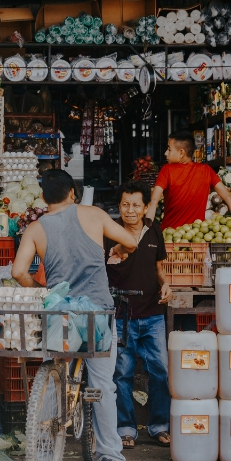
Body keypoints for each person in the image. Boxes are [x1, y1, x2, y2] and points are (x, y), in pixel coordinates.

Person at [12, 169, 137, 461]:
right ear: (72, 193)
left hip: (60, 315)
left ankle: (47, 424)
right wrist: (118, 248)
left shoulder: (35, 228)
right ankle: (109, 454)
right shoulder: (93, 214)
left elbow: (18, 272)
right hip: (96, 315)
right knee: (103, 385)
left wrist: (42, 288)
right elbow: (131, 242)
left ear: (43, 197)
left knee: (56, 365)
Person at [105, 180, 172, 450]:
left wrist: (166, 283)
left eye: (136, 205)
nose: (130, 210)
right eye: (125, 204)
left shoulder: (155, 231)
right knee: (122, 374)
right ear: (119, 206)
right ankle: (125, 428)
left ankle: (159, 426)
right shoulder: (110, 232)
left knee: (161, 372)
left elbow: (158, 269)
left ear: (146, 207)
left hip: (153, 314)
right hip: (122, 315)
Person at [146, 130, 231, 229]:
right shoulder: (206, 170)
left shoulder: (167, 170)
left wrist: (146, 230)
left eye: (169, 149)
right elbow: (228, 197)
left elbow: (154, 200)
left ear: (181, 153)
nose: (165, 153)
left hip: (169, 235)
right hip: (197, 236)